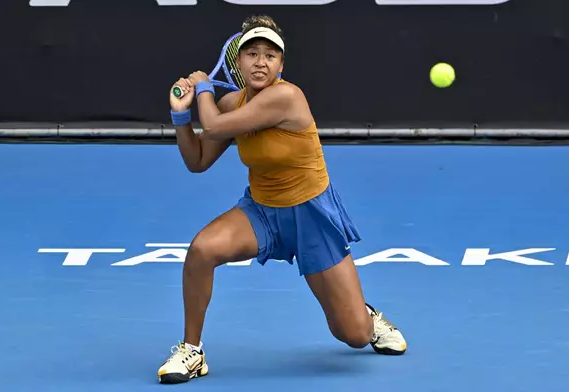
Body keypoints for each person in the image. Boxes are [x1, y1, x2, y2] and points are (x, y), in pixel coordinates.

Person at [158, 15, 407, 384]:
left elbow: (211, 125)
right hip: (262, 212)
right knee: (202, 250)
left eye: (270, 55)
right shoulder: (231, 104)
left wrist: (204, 89)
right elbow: (197, 160)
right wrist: (180, 114)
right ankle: (191, 350)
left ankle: (367, 318)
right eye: (252, 53)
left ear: (281, 65)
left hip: (312, 215)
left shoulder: (287, 97)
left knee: (351, 335)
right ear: (238, 62)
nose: (261, 62)